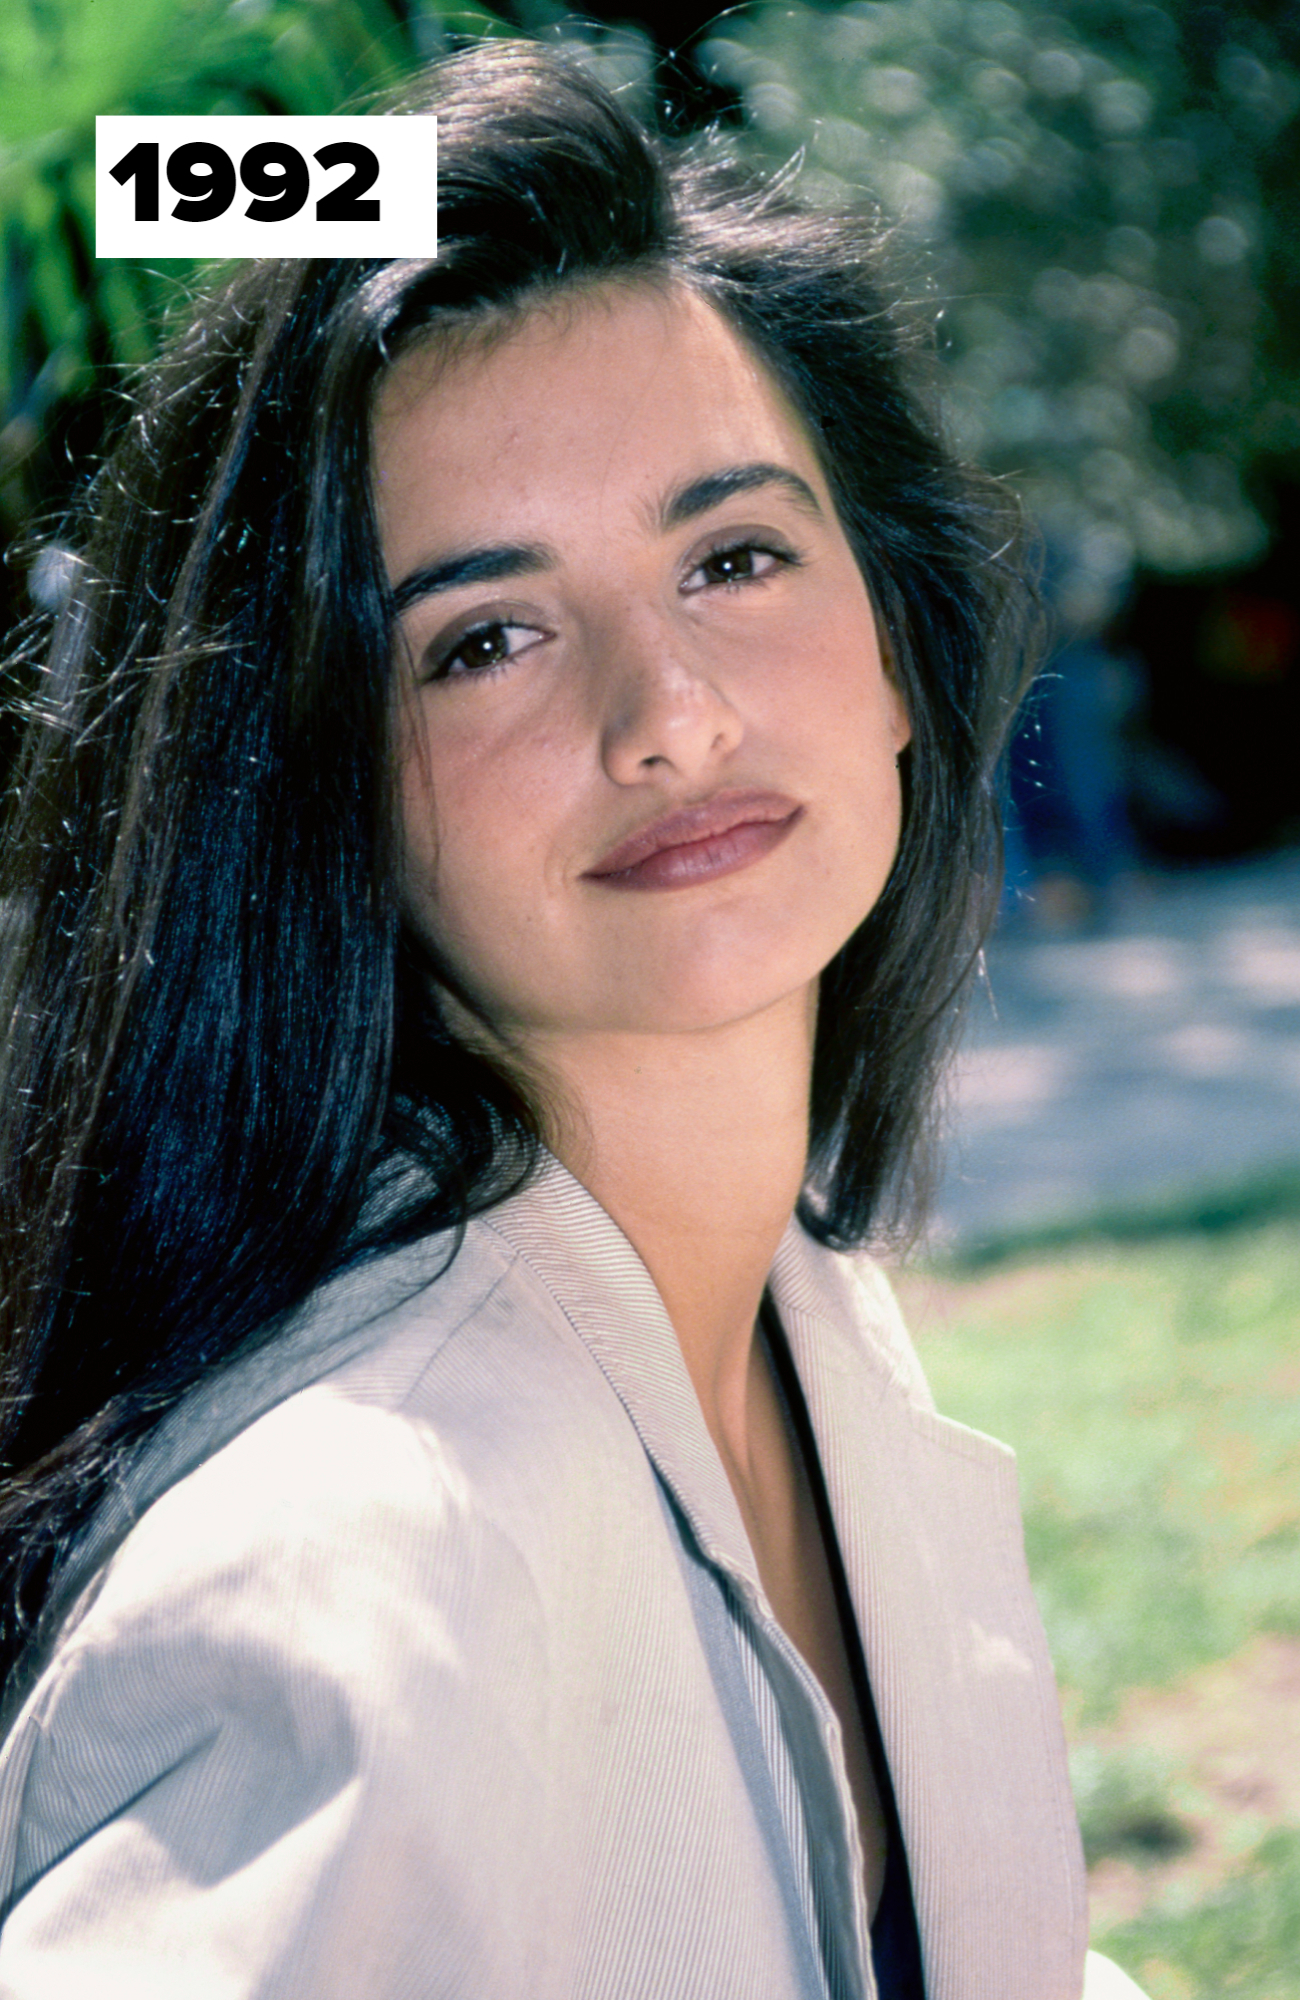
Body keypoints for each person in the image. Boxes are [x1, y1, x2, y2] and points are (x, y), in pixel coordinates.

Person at [0, 40, 1147, 2000]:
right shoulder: (341, 1574)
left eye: (732, 556)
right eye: (486, 637)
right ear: (322, 791)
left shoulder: (794, 1302)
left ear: (894, 646)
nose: (667, 714)